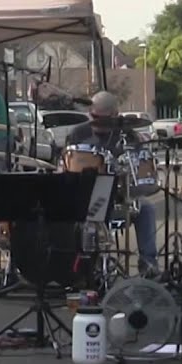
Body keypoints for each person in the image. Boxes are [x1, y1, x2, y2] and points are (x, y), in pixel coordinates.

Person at [64, 91, 161, 277]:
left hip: (119, 193)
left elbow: (138, 169)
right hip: (89, 194)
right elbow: (67, 165)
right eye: (93, 116)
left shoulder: (128, 135)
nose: (96, 121)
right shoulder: (78, 133)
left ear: (115, 114)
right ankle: (89, 266)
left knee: (146, 209)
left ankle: (149, 265)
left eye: (102, 118)